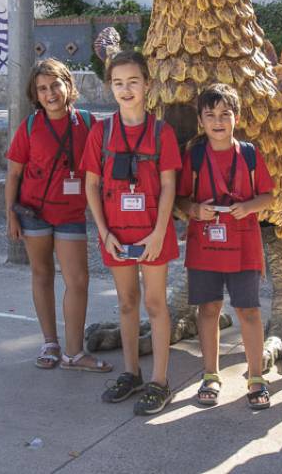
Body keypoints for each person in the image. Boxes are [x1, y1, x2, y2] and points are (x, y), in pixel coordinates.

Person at [82, 51, 181, 416]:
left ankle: (160, 381)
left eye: (133, 82)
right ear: (110, 87)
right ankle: (132, 373)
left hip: (152, 234)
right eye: (118, 83)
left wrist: (158, 233)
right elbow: (92, 185)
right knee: (126, 303)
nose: (126, 89)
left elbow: (169, 186)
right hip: (117, 235)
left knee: (155, 304)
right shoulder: (101, 131)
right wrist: (104, 232)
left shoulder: (161, 131)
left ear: (147, 85)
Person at [5, 58, 111, 373]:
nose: (50, 93)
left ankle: (74, 353)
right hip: (33, 212)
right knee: (42, 275)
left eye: (55, 85)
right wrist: (11, 214)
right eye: (42, 89)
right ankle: (50, 342)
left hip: (70, 214)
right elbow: (13, 175)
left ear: (68, 85)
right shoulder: (29, 126)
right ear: (35, 95)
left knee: (78, 280)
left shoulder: (89, 123)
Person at [176, 84, 276, 410]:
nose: (218, 121)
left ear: (236, 117)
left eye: (225, 114)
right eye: (211, 115)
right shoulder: (194, 156)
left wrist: (248, 207)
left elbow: (268, 196)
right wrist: (194, 210)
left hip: (244, 243)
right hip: (205, 244)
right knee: (208, 309)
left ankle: (256, 377)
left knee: (248, 310)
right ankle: (210, 375)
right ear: (201, 121)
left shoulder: (248, 154)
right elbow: (180, 199)